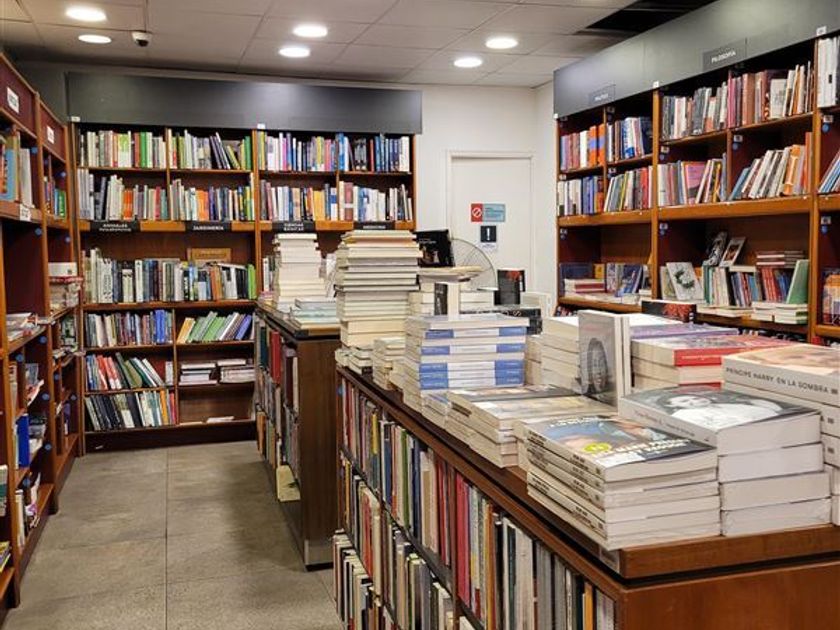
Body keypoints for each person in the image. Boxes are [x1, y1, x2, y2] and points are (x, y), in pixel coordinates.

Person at [659, 391, 783, 427]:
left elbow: (770, 412)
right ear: (672, 406)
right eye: (685, 401)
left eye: (695, 398)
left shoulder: (729, 405)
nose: (696, 401)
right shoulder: (685, 416)